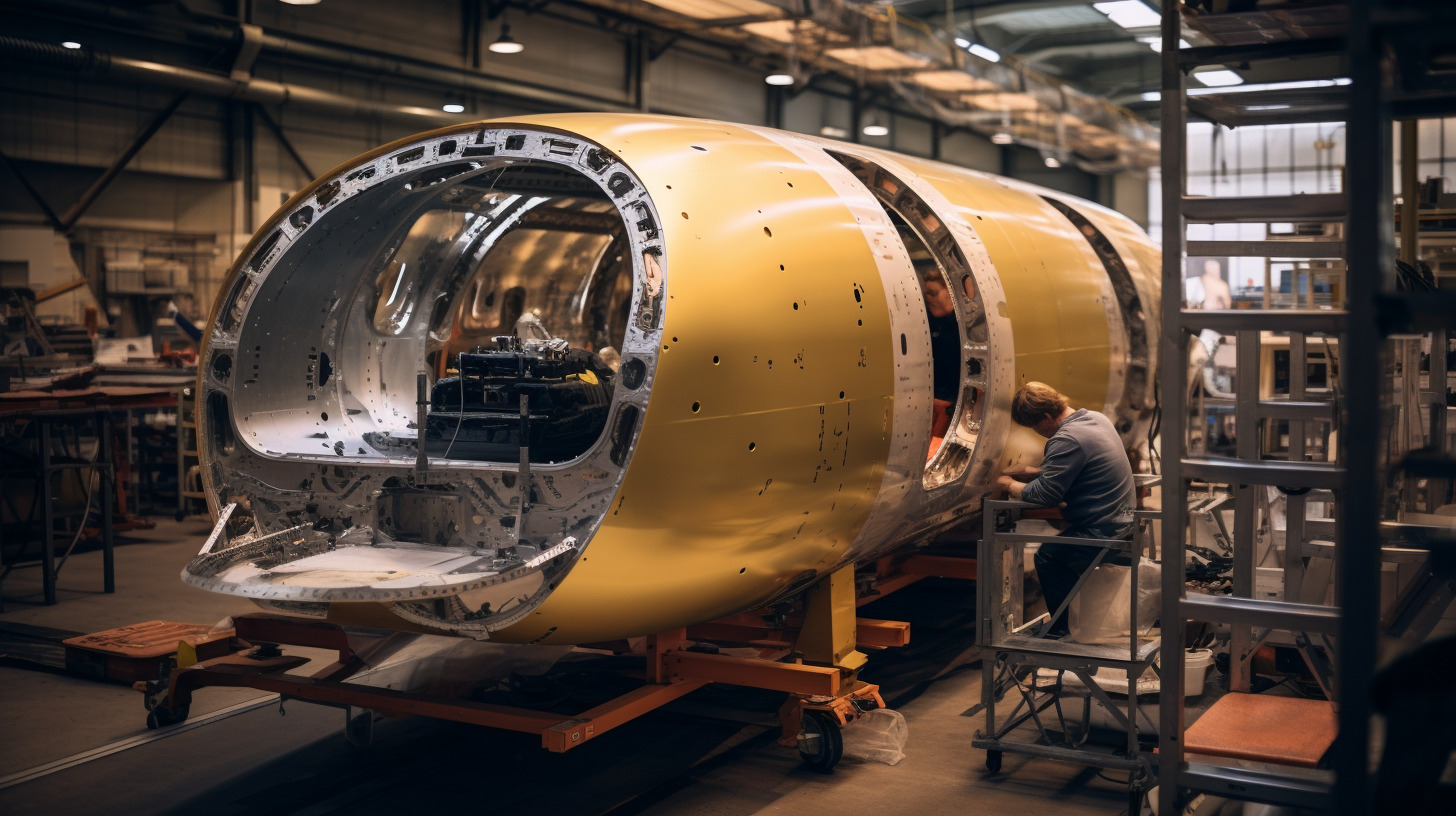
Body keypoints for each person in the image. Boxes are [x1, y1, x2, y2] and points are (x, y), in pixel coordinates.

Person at [994, 382, 1135, 639]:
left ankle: (1062, 630)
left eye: (1036, 426)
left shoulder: (1066, 439)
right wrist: (1036, 472)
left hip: (1103, 531)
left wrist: (1008, 484)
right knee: (1058, 553)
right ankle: (1074, 621)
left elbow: (1045, 495)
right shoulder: (1095, 419)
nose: (1037, 432)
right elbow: (1082, 465)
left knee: (1049, 557)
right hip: (1125, 523)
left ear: (1047, 417)